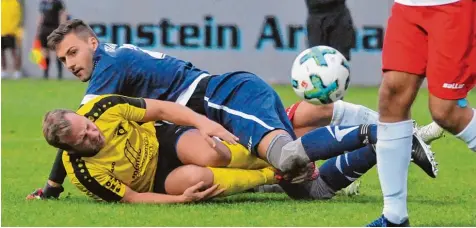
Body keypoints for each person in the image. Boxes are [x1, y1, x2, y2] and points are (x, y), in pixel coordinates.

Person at [30, 19, 437, 200]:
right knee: (302, 184)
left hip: (214, 96)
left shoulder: (107, 68)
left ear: (93, 43)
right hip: (215, 103)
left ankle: (387, 132)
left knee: (290, 156)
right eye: (64, 60)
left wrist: (53, 185)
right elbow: (75, 135)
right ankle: (387, 132)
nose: (71, 64)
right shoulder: (111, 59)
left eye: (72, 53)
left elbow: (73, 132)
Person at [34, 94, 437, 203]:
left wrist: (206, 124)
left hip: (172, 135)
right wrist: (178, 203)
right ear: (71, 149)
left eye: (88, 128)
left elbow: (160, 108)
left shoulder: (102, 105)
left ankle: (375, 132)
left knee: (223, 154)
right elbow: (136, 197)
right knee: (204, 180)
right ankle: (390, 139)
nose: (94, 135)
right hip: (160, 176)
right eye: (85, 140)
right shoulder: (83, 172)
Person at [367, 0, 475, 226]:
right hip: (408, 6)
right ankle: (394, 217)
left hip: (452, 6)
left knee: (447, 111)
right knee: (392, 95)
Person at [36, 0, 67, 79]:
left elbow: (62, 15)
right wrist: (38, 29)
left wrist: (62, 28)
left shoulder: (58, 3)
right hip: (44, 29)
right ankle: (45, 73)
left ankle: (60, 74)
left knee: (57, 51)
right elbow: (41, 16)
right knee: (45, 51)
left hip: (54, 28)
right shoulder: (43, 3)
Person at [1, 0, 22, 79]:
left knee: (14, 52)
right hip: (1, 31)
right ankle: (3, 71)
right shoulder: (1, 2)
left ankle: (17, 71)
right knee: (2, 53)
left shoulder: (15, 3)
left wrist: (13, 29)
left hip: (12, 32)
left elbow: (17, 17)